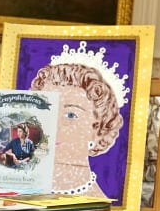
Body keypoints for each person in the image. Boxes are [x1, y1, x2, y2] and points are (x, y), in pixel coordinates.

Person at [31, 56, 125, 197]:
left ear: (97, 129)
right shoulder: (15, 190)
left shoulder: (95, 202)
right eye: (46, 111)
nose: (53, 126)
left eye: (70, 115)